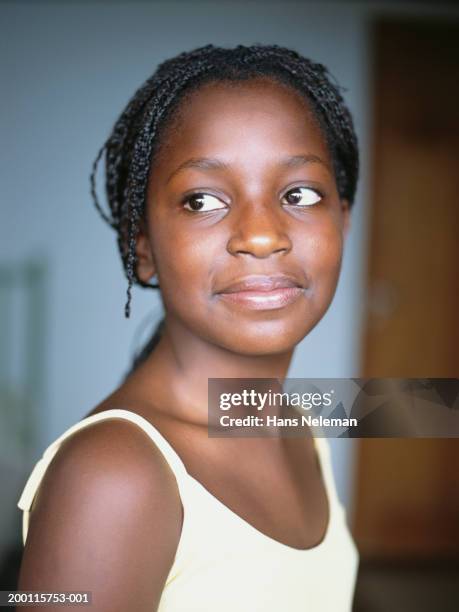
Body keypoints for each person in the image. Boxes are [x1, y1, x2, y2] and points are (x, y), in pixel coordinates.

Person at [17, 44, 360, 611]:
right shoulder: (111, 476)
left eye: (299, 194)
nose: (261, 235)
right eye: (202, 200)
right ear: (142, 247)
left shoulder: (296, 419)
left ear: (342, 220)